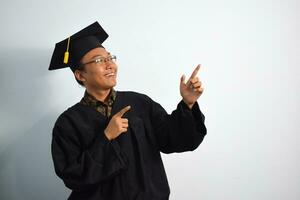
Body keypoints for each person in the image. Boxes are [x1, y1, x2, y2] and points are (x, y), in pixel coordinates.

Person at [49, 21, 207, 200]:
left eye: (110, 58)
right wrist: (106, 137)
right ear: (80, 75)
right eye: (100, 60)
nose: (110, 65)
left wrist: (188, 104)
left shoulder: (139, 103)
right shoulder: (68, 123)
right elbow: (73, 177)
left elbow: (175, 139)